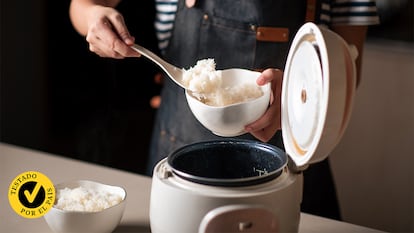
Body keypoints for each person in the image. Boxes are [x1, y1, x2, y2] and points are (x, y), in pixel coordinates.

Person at [69, 0, 379, 220]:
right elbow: (82, 6)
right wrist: (95, 17)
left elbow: (348, 69)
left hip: (289, 163)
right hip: (178, 161)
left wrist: (302, 88)